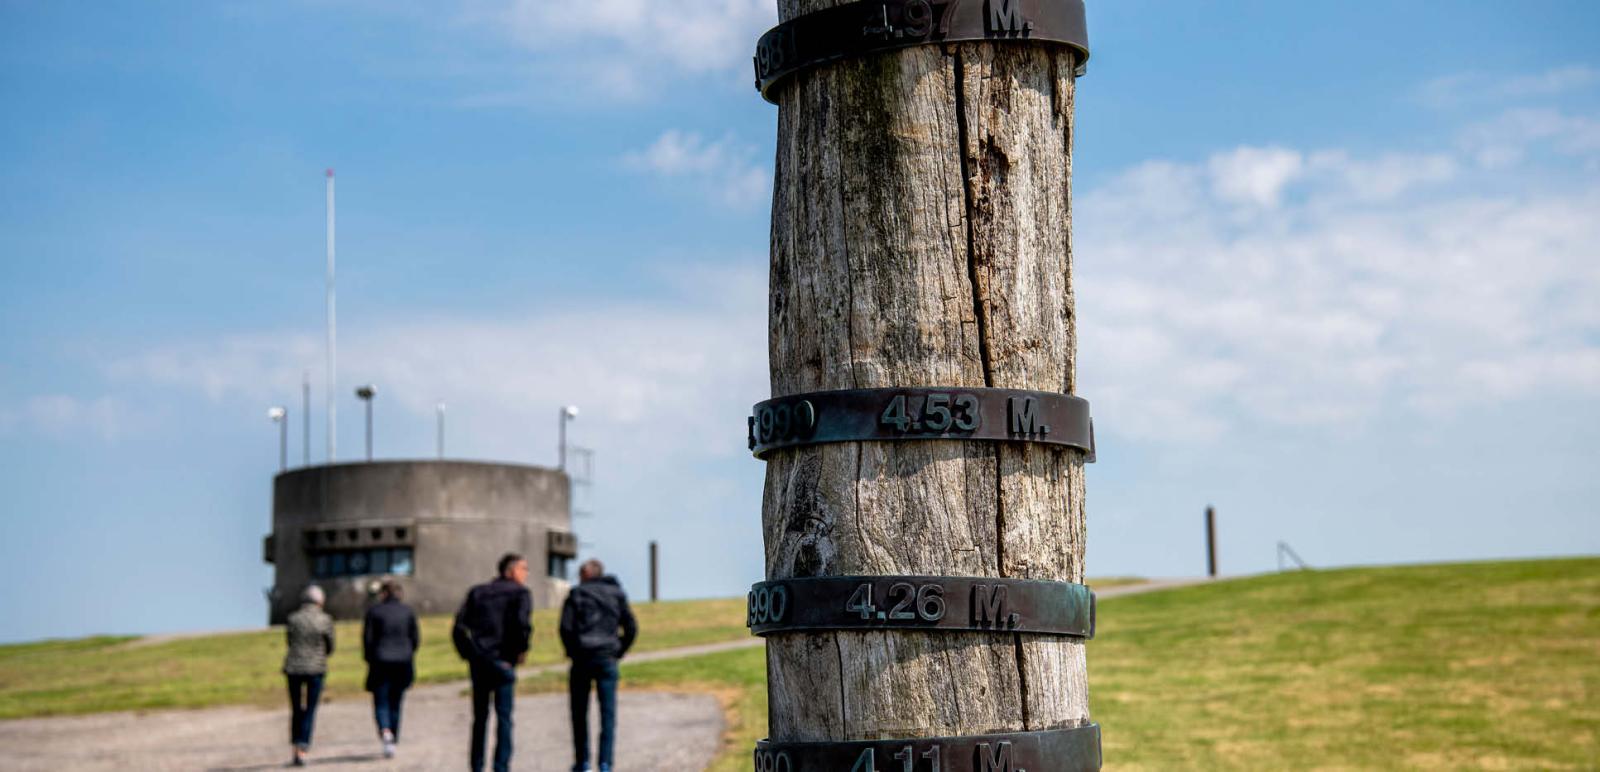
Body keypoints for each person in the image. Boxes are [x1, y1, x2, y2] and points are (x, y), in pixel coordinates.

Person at [454, 553, 533, 772]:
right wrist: (520, 651)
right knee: (504, 717)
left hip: (479, 661)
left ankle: (477, 766)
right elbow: (522, 625)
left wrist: (468, 654)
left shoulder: (477, 592)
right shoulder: (520, 593)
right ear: (510, 571)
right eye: (523, 569)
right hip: (503, 661)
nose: (526, 574)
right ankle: (501, 767)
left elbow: (459, 627)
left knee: (480, 718)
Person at [560, 558, 638, 772]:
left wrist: (572, 651)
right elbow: (631, 628)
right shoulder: (617, 594)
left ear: (586, 575)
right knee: (608, 715)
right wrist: (618, 650)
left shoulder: (576, 594)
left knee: (579, 714)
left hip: (582, 659)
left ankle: (583, 762)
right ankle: (605, 763)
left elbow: (565, 628)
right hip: (606, 658)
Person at [363, 579, 419, 759]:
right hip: (403, 661)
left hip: (380, 660)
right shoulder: (408, 612)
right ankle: (393, 736)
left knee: (381, 700)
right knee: (396, 700)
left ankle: (385, 730)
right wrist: (409, 653)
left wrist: (369, 658)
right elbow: (415, 638)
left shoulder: (374, 612)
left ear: (383, 593)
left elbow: (368, 639)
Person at [283, 584, 335, 767]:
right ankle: (303, 747)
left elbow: (289, 641)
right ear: (320, 601)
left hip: (293, 667)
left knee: (296, 709)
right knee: (310, 709)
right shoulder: (325, 620)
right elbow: (330, 645)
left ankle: (295, 747)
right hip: (316, 669)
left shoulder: (293, 619)